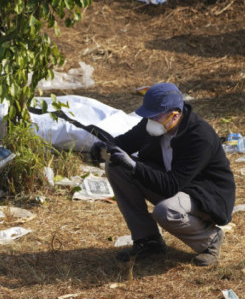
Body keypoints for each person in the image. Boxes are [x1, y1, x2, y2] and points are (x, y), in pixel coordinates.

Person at [92, 83, 236, 266]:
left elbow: (171, 184)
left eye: (155, 116)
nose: (149, 120)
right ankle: (147, 240)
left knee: (166, 211)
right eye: (148, 115)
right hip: (174, 184)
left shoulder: (200, 137)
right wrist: (105, 147)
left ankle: (210, 239)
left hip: (204, 194)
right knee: (116, 167)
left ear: (175, 115)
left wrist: (134, 165)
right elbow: (125, 143)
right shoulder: (155, 124)